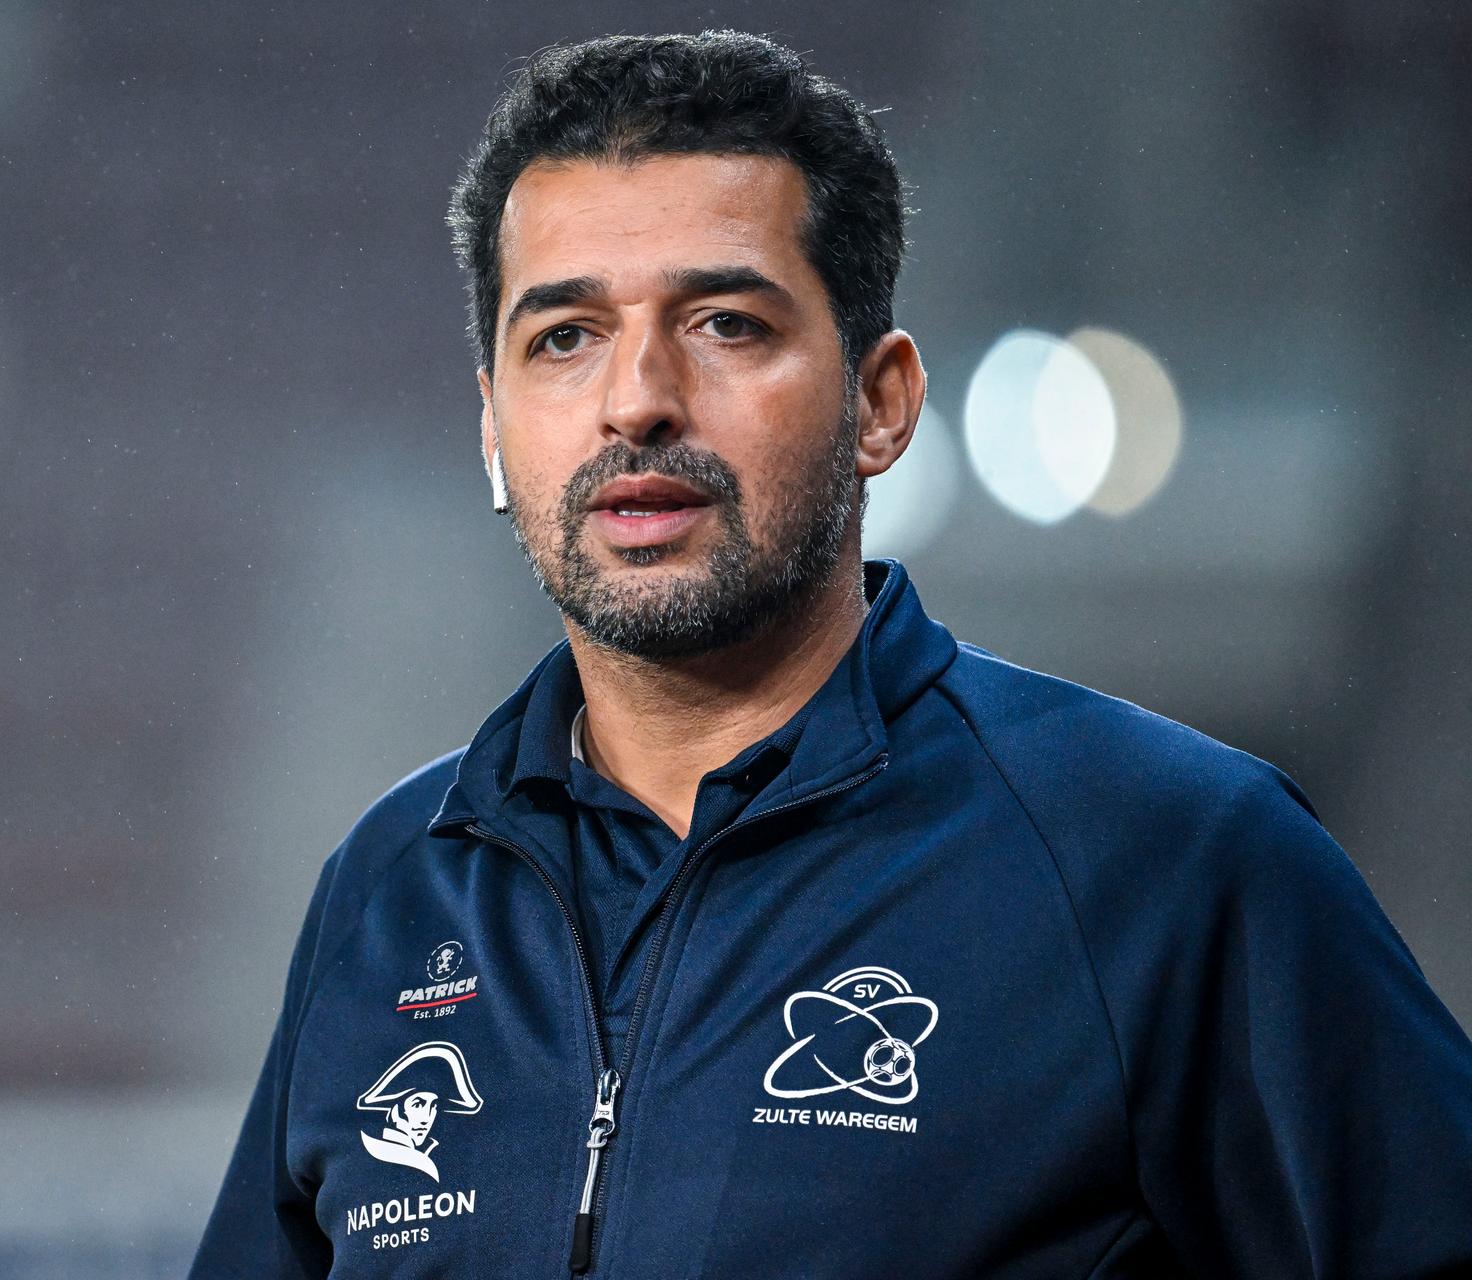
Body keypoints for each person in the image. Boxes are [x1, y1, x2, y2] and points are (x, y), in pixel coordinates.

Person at [188, 30, 1472, 1279]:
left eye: (727, 324)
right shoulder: (389, 885)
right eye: (564, 336)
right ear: (491, 426)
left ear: (881, 400)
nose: (636, 397)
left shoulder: (1170, 856)